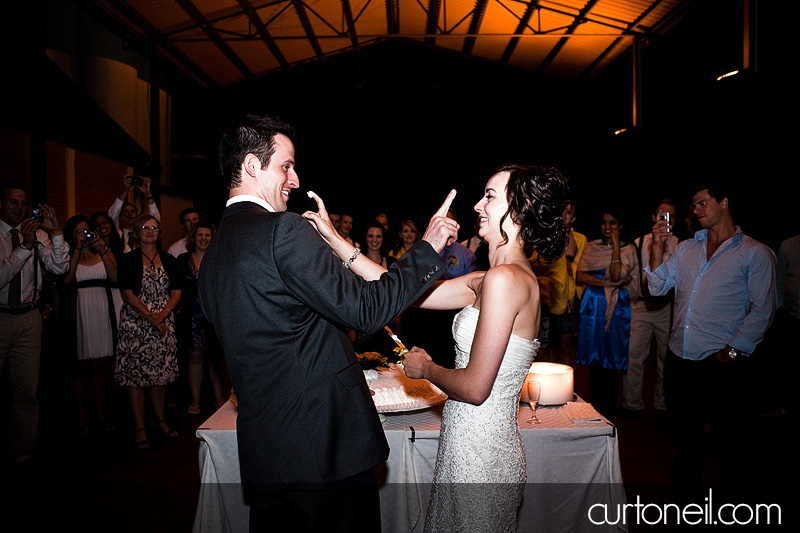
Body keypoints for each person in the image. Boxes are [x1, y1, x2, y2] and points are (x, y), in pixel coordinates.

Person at [197, 113, 458, 532]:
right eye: (286, 165)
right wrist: (427, 248)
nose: (295, 179)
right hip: (326, 450)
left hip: (266, 455)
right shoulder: (282, 231)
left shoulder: (212, 257)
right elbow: (367, 311)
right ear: (251, 165)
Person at [307, 163, 570, 532]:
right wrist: (336, 241)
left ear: (521, 206)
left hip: (481, 451)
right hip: (465, 441)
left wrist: (424, 368)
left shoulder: (505, 280)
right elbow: (396, 288)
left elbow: (476, 388)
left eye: (490, 197)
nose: (478, 204)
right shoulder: (489, 278)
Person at [645, 177, 776, 500]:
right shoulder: (687, 248)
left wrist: (733, 352)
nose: (696, 209)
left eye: (703, 202)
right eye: (695, 204)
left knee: (731, 436)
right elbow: (656, 287)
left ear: (725, 202)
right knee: (687, 434)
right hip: (681, 355)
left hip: (722, 359)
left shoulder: (754, 253)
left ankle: (738, 502)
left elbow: (764, 309)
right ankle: (685, 497)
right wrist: (658, 249)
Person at [1, 182, 69, 469]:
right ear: (2, 204)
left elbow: (59, 267)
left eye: (23, 203)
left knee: (27, 392)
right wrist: (24, 248)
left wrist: (55, 233)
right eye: (13, 202)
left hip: (30, 319)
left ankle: (21, 451)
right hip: (1, 316)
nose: (19, 208)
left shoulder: (38, 234)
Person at [115, 213, 182, 449]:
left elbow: (177, 292)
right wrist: (152, 318)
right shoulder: (127, 260)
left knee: (160, 376)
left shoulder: (169, 259)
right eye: (145, 227)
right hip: (136, 325)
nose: (150, 231)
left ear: (159, 232)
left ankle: (161, 421)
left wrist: (162, 315)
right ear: (137, 232)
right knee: (136, 377)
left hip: (163, 323)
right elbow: (127, 293)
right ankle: (140, 427)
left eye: (154, 228)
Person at [575, 209, 639, 421]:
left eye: (613, 223)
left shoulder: (628, 249)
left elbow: (615, 273)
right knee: (594, 360)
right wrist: (605, 283)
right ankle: (595, 408)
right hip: (593, 305)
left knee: (611, 358)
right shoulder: (592, 247)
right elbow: (580, 275)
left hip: (617, 308)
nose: (607, 227)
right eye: (604, 222)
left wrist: (616, 245)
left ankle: (609, 410)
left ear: (620, 226)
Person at [620, 199, 679, 418]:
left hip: (666, 308)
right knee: (633, 355)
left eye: (671, 216)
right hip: (641, 306)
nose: (667, 220)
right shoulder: (638, 242)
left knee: (665, 358)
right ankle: (632, 404)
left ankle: (662, 405)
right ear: (654, 217)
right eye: (663, 215)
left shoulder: (680, 245)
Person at [61, 215, 119, 436]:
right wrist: (77, 249)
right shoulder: (66, 255)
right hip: (78, 312)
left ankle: (101, 415)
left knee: (100, 367)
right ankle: (83, 419)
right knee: (79, 369)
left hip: (101, 310)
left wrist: (104, 252)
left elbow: (115, 278)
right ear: (71, 236)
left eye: (86, 231)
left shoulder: (103, 250)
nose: (83, 235)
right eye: (78, 232)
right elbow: (66, 278)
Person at [176, 221, 228, 414]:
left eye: (207, 235)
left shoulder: (218, 259)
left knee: (214, 358)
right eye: (200, 235)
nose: (204, 238)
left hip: (214, 316)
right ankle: (195, 401)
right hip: (191, 316)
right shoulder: (182, 260)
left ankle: (220, 399)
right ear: (193, 237)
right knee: (195, 357)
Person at [108, 174, 161, 253]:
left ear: (137, 216)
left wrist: (148, 194)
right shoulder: (117, 234)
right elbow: (113, 215)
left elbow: (155, 219)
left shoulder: (143, 234)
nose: (130, 214)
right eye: (126, 212)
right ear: (121, 217)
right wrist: (126, 189)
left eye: (132, 212)